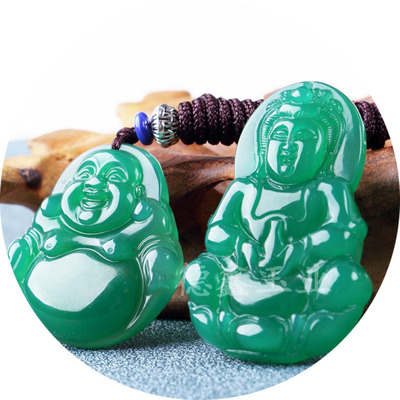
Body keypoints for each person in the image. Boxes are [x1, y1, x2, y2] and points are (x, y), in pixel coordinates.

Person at [184, 83, 373, 363]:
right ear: (263, 146)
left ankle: (258, 329)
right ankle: (261, 329)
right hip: (243, 275)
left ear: (326, 151)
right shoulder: (245, 188)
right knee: (199, 272)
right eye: (280, 135)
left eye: (305, 137)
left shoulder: (328, 190)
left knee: (348, 280)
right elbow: (218, 233)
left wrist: (302, 248)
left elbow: (346, 233)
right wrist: (244, 246)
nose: (288, 146)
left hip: (303, 281)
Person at [9, 147, 183, 348]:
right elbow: (19, 257)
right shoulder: (50, 219)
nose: (93, 183)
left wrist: (156, 279)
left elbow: (162, 269)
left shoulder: (146, 226)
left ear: (138, 192)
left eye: (114, 176)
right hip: (42, 308)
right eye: (85, 174)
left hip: (114, 315)